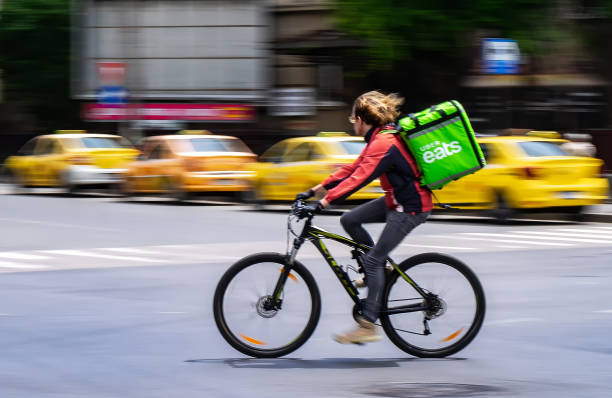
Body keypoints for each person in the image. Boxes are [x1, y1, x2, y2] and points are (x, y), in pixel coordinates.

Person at [296, 90, 433, 344]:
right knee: (349, 220)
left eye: (353, 120)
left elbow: (359, 179)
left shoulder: (384, 143)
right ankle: (381, 269)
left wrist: (323, 203)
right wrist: (316, 189)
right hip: (396, 200)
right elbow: (353, 168)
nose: (353, 124)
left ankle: (368, 325)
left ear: (361, 119)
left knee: (372, 261)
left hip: (410, 206)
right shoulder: (379, 139)